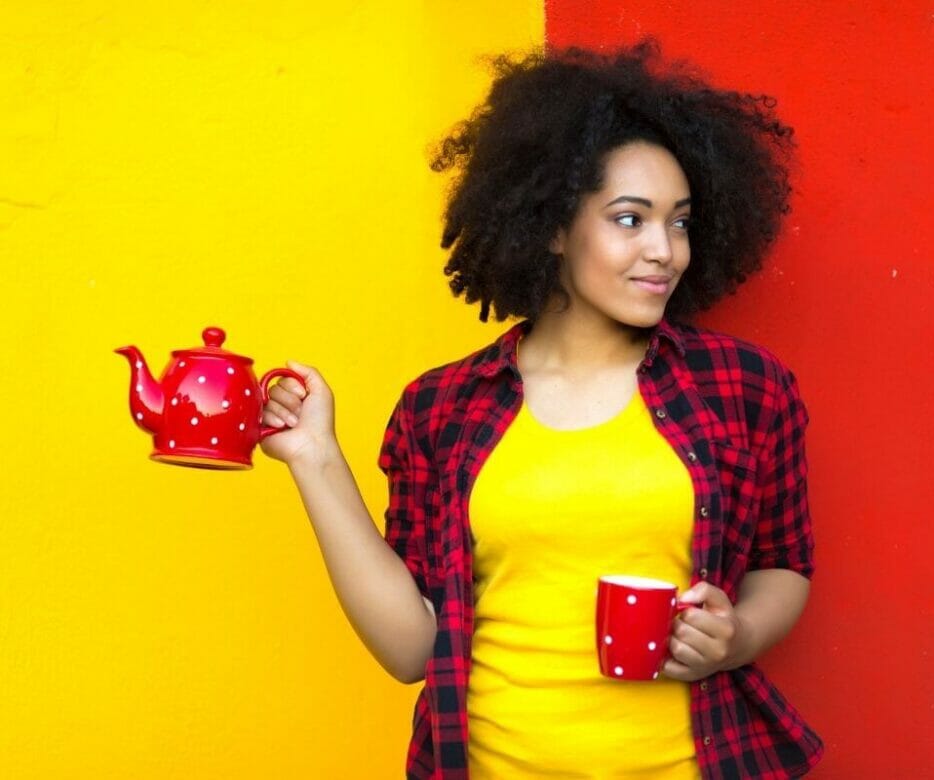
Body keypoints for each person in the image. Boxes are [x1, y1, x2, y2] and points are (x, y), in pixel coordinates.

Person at [260, 40, 822, 779]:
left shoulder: (744, 387)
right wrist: (314, 458)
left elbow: (784, 565)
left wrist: (737, 635)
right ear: (554, 226)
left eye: (680, 222)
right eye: (630, 219)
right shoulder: (440, 408)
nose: (665, 250)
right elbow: (410, 650)